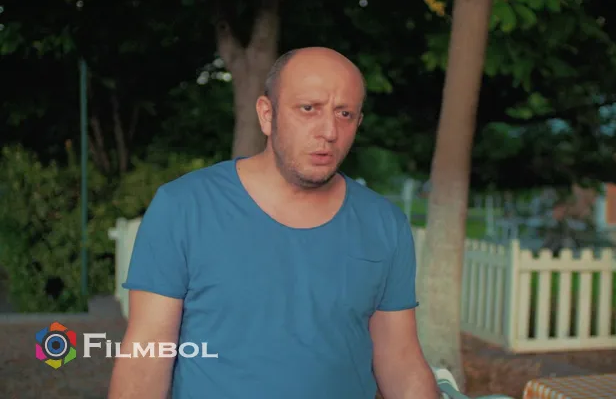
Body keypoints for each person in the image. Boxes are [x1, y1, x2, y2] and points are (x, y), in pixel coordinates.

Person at [108, 47, 440, 399]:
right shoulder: (184, 207)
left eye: (344, 114)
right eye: (308, 108)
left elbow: (400, 360)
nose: (329, 131)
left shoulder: (383, 224)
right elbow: (146, 356)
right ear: (267, 114)